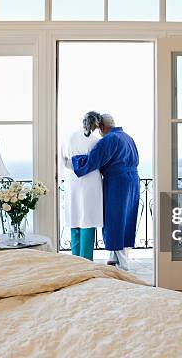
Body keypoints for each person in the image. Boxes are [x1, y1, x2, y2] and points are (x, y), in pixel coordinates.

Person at [72, 113, 140, 271]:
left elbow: (94, 160)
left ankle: (123, 264)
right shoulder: (128, 137)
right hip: (133, 181)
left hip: (117, 182)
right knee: (127, 219)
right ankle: (113, 257)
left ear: (102, 127)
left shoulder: (109, 139)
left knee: (115, 220)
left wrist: (76, 160)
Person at [61, 111, 104, 261]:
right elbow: (101, 162)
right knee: (88, 219)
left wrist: (74, 166)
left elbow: (64, 161)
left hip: (73, 180)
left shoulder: (69, 137)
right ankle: (86, 260)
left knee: (75, 217)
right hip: (91, 181)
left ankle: (75, 260)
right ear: (96, 125)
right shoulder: (96, 142)